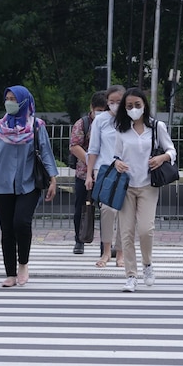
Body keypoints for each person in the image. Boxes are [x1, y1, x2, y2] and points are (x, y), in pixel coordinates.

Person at [0, 85, 58, 288]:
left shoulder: (36, 126)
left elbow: (46, 153)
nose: (10, 102)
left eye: (14, 99)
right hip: (2, 185)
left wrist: (53, 180)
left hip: (28, 183)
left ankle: (23, 263)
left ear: (24, 101)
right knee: (7, 228)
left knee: (21, 223)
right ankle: (10, 273)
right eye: (7, 98)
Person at [113, 87, 176, 292]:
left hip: (149, 185)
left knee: (146, 230)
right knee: (126, 232)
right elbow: (115, 156)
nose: (133, 109)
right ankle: (131, 275)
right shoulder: (121, 130)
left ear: (144, 105)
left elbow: (171, 150)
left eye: (137, 105)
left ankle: (147, 264)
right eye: (129, 106)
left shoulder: (157, 127)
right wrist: (117, 163)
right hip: (126, 185)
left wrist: (162, 158)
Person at [85, 85, 126, 267]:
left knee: (125, 213)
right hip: (104, 170)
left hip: (126, 170)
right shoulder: (100, 120)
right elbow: (93, 149)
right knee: (107, 210)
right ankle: (106, 251)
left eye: (119, 101)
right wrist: (89, 174)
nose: (115, 105)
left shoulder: (132, 119)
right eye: (112, 102)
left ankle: (121, 253)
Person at [69, 90, 107, 254]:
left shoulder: (111, 123)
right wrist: (90, 160)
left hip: (105, 174)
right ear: (91, 108)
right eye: (97, 109)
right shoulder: (82, 123)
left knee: (106, 210)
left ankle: (105, 244)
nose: (100, 113)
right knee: (81, 208)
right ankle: (80, 239)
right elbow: (74, 146)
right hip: (84, 173)